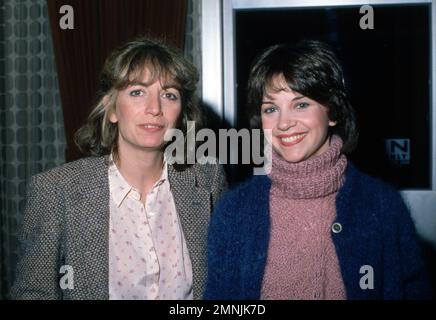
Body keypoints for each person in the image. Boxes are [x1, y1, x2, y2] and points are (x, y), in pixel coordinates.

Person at [204, 40, 432, 300]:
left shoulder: (382, 206)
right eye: (271, 109)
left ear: (332, 112)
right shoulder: (233, 212)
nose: (284, 123)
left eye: (301, 104)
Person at [11, 37, 227, 300]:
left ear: (181, 114)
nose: (155, 109)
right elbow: (33, 293)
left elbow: (227, 283)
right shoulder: (56, 190)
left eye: (169, 95)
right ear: (111, 108)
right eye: (137, 92)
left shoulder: (208, 179)